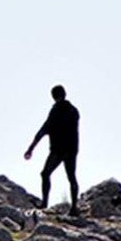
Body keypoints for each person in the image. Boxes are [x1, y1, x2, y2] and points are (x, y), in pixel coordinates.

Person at [24, 85, 80, 214]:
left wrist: (31, 148)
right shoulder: (74, 111)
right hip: (72, 149)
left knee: (45, 174)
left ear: (53, 96)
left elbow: (44, 129)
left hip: (58, 150)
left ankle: (44, 203)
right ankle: (74, 207)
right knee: (72, 177)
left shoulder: (56, 111)